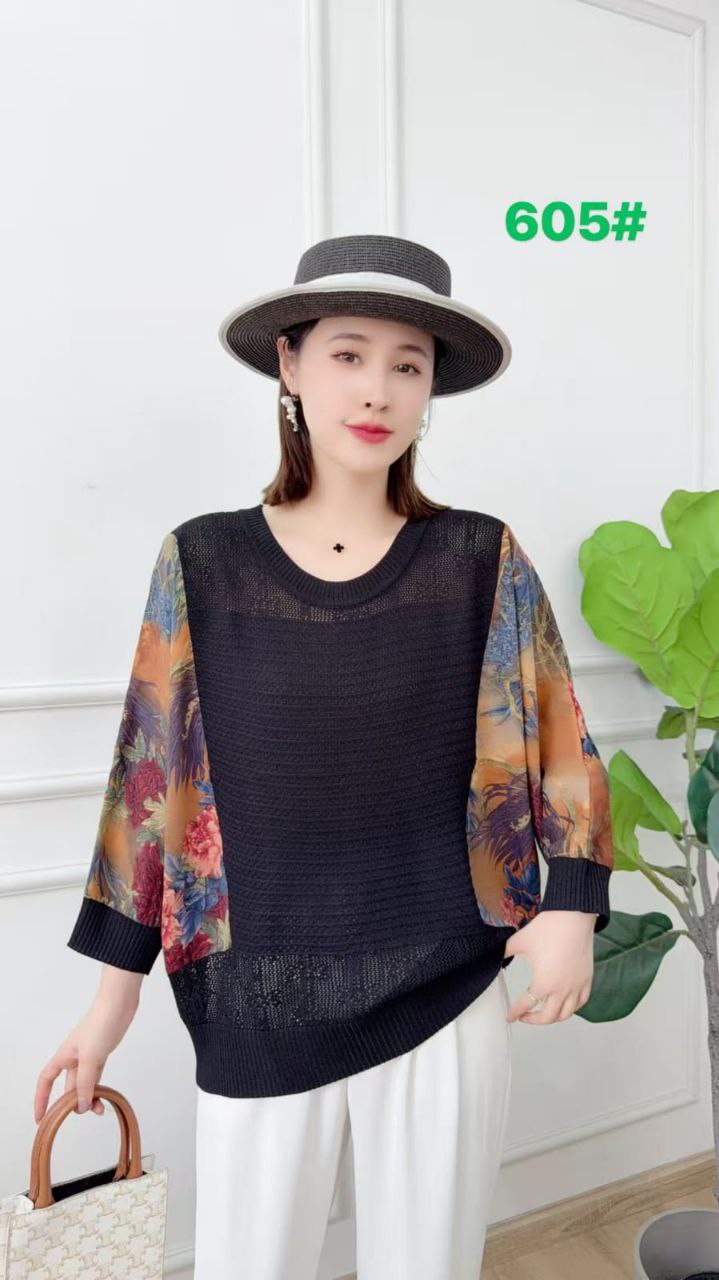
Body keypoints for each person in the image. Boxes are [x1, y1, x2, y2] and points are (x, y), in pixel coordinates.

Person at [35, 234, 613, 1280]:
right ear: (290, 364)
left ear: (430, 391)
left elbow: (557, 739)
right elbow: (149, 782)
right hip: (253, 999)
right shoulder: (203, 559)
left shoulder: (477, 557)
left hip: (445, 988)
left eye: (407, 364)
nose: (377, 389)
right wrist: (110, 1001)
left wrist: (570, 906)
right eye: (348, 354)